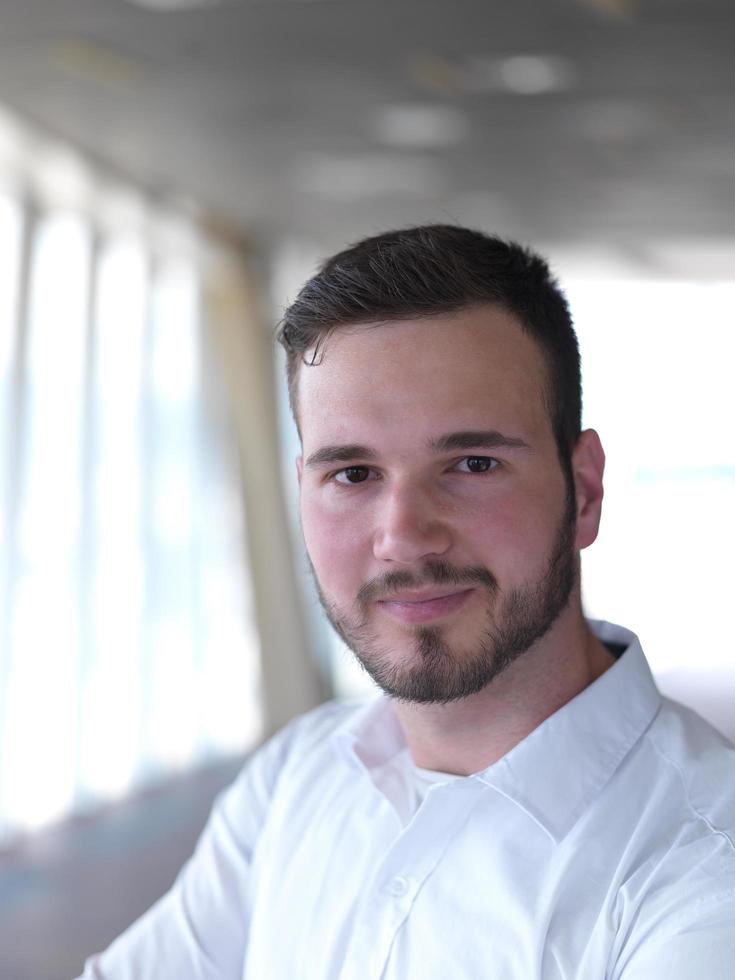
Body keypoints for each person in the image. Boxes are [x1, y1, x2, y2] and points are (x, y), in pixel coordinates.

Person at [76, 225, 735, 979]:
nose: (404, 538)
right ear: (301, 492)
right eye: (352, 474)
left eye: (472, 463)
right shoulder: (298, 776)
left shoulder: (699, 871)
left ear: (582, 492)